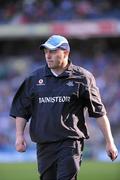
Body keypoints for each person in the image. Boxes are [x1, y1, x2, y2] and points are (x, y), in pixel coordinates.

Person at [10, 35, 118, 180]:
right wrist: (19, 136)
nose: (48, 56)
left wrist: (110, 142)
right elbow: (21, 110)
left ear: (66, 52)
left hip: (70, 143)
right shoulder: (34, 78)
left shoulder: (83, 77)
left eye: (53, 51)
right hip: (44, 144)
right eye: (46, 52)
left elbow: (99, 112)